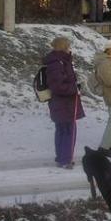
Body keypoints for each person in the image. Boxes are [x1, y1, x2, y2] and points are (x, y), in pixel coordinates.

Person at [43, 37, 85, 169]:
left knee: (62, 130)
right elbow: (58, 86)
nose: (69, 49)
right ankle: (66, 159)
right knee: (68, 130)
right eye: (68, 46)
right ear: (63, 47)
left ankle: (62, 157)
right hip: (64, 103)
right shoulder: (57, 63)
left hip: (63, 103)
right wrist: (75, 88)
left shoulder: (61, 61)